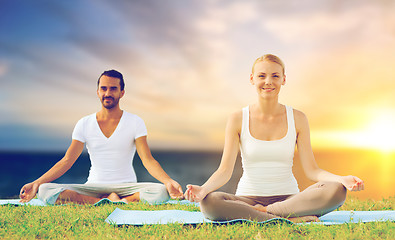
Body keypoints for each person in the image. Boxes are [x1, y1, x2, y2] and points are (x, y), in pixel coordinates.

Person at [184, 54, 364, 222]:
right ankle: (288, 219)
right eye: (261, 76)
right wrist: (204, 190)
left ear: (283, 79)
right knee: (209, 203)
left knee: (336, 190)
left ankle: (267, 215)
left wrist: (342, 179)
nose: (268, 81)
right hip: (247, 199)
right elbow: (224, 171)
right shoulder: (237, 118)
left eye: (275, 76)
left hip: (290, 199)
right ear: (252, 79)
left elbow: (312, 170)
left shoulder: (298, 118)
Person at [20, 70, 183, 205]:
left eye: (113, 89)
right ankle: (107, 201)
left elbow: (148, 160)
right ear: (98, 92)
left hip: (127, 186)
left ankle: (108, 201)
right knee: (45, 190)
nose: (108, 93)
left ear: (122, 93)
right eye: (103, 88)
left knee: (161, 191)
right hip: (93, 186)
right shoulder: (84, 123)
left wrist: (168, 181)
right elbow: (67, 160)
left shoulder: (135, 122)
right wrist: (36, 183)